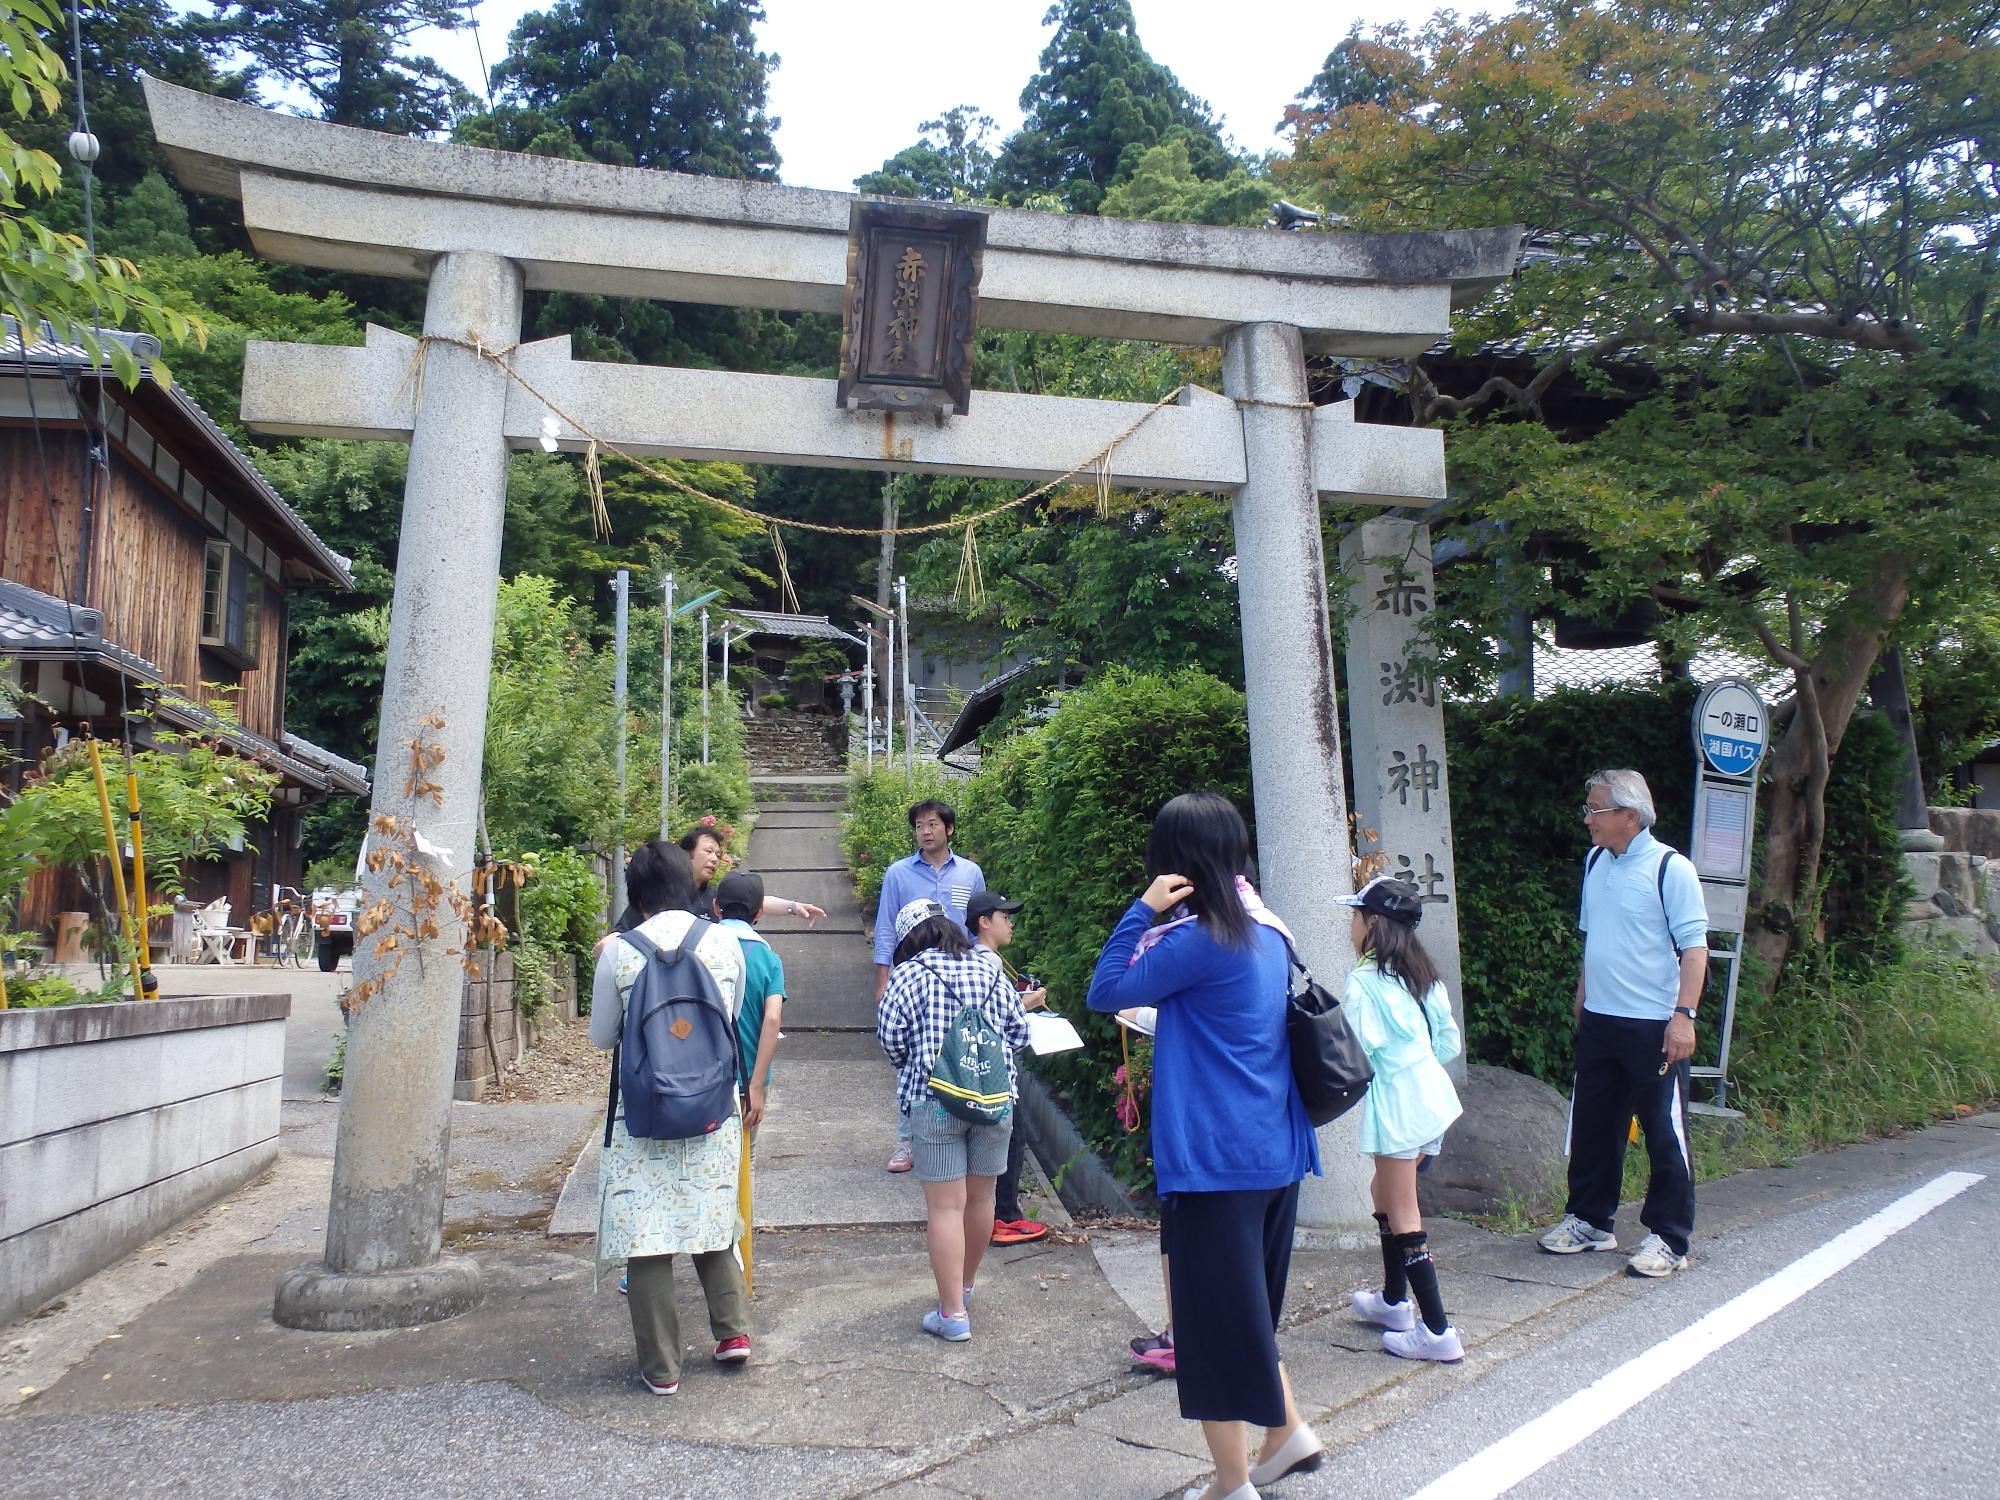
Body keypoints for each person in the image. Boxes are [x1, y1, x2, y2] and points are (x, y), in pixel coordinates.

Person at [1085, 792, 1324, 1500]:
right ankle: (1286, 1434)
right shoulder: (1267, 931)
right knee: (1245, 1311)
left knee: (1213, 1327)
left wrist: (1142, 907)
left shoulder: (1197, 939)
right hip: (1275, 1149)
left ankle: (1230, 1483)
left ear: (1176, 862)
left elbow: (1106, 990)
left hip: (1218, 1159)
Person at [589, 839, 752, 1394]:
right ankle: (733, 1334)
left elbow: (599, 1038)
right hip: (712, 1104)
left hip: (642, 1110)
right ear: (687, 881)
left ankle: (662, 1367)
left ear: (636, 891)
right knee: (710, 1209)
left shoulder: (619, 949)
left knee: (647, 1234)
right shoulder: (726, 943)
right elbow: (727, 1020)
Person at [1540, 768, 1709, 1278]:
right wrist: (1583, 995)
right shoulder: (1596, 861)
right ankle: (1590, 1220)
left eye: (1595, 809)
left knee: (1663, 1131)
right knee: (1594, 1122)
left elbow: (1695, 949)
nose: (1587, 819)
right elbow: (1596, 936)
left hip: (1654, 1026)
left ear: (1629, 816)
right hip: (1601, 1020)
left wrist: (1684, 1016)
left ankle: (1670, 1236)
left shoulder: (1669, 869)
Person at [876, 897, 1030, 1343]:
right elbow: (1019, 1032)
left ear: (910, 939)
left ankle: (953, 1313)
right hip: (993, 1098)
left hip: (936, 1099)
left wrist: (920, 1057)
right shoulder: (988, 969)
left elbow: (891, 1040)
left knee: (946, 1207)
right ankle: (962, 1284)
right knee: (982, 1200)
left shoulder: (908, 974)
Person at [1340, 875, 1467, 1361]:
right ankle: (1394, 1303)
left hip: (1396, 1105)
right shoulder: (1421, 974)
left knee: (1401, 1205)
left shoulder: (1365, 981)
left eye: (1355, 917)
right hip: (1431, 1096)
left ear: (1372, 923)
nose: (1351, 926)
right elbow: (1448, 1043)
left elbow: (1356, 1050)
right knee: (1383, 1192)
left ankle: (1436, 1331)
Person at [871, 799, 987, 1172]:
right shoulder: (899, 873)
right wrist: (883, 979)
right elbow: (886, 926)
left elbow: (979, 923)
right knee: (913, 1059)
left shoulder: (970, 873)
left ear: (949, 828)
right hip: (913, 975)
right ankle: (907, 1141)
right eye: (919, 825)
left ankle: (962, 1127)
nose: (925, 830)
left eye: (933, 823)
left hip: (961, 974)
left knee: (961, 1049)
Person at [965, 890, 1052, 1245]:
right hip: (996, 1070)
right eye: (1004, 917)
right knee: (1012, 1140)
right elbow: (1002, 1018)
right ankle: (1005, 1218)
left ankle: (992, 1216)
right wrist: (1028, 1002)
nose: (1010, 922)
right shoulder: (989, 962)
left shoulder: (973, 958)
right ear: (985, 922)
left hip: (977, 1069)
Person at [713, 870, 784, 1133]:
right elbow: (773, 1018)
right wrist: (755, 1085)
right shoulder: (768, 959)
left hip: (703, 1072)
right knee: (745, 1156)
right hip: (749, 1074)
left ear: (715, 907)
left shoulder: (699, 948)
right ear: (760, 912)